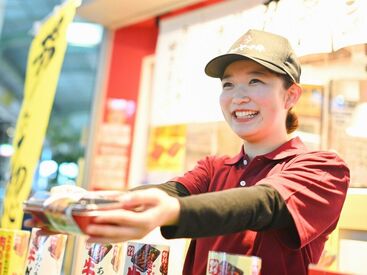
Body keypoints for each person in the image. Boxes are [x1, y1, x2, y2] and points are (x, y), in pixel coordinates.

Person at [87, 29, 349, 274]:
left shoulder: (323, 169)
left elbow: (263, 204)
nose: (238, 97)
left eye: (255, 81)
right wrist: (90, 204)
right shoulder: (214, 168)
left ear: (290, 96)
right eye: (228, 85)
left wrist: (172, 211)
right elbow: (168, 192)